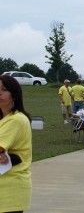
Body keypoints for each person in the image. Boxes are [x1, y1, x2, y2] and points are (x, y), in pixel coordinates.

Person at [0, 75, 32, 213]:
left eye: (4, 89)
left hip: (9, 190)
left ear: (14, 95)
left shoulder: (16, 120)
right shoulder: (4, 119)